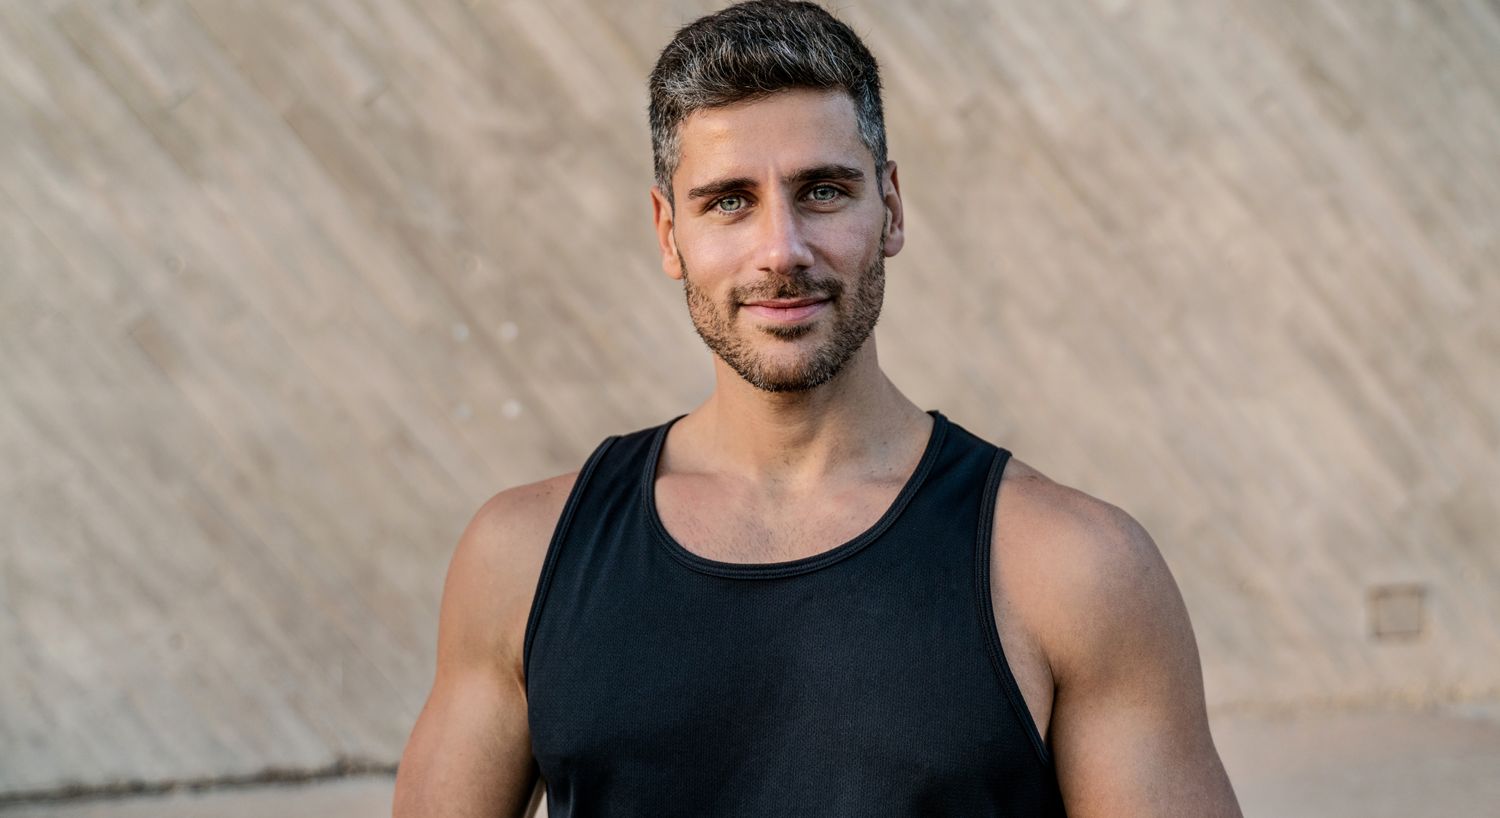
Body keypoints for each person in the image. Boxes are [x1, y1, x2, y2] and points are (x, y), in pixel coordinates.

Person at [393, 2, 1243, 815]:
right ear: (667, 234)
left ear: (892, 208)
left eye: (824, 191)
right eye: (729, 200)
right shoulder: (522, 560)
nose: (782, 251)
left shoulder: (1070, 569)